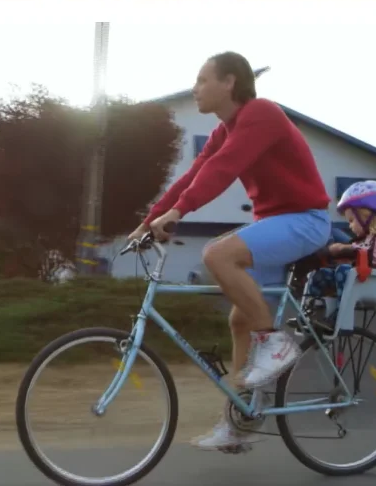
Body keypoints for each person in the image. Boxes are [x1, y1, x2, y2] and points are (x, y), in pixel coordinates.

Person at [126, 51, 332, 452]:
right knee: (240, 321)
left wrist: (178, 213)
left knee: (218, 255)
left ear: (230, 82)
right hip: (274, 225)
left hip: (305, 220)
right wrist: (148, 220)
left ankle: (276, 343)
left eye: (203, 79)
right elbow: (195, 175)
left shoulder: (263, 113)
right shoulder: (224, 131)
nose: (195, 88)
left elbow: (222, 170)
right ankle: (240, 422)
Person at [306, 180, 376, 318]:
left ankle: (341, 315)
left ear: (366, 215)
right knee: (321, 274)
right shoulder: (367, 237)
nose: (350, 226)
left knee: (344, 271)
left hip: (373, 280)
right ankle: (315, 311)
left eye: (351, 220)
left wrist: (351, 249)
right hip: (358, 278)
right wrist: (338, 253)